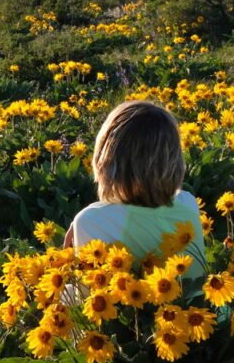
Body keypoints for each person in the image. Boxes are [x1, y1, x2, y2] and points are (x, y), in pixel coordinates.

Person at [65, 100, 206, 278]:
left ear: (106, 158)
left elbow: (88, 291)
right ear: (174, 159)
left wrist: (84, 219)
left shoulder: (91, 222)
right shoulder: (188, 203)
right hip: (196, 297)